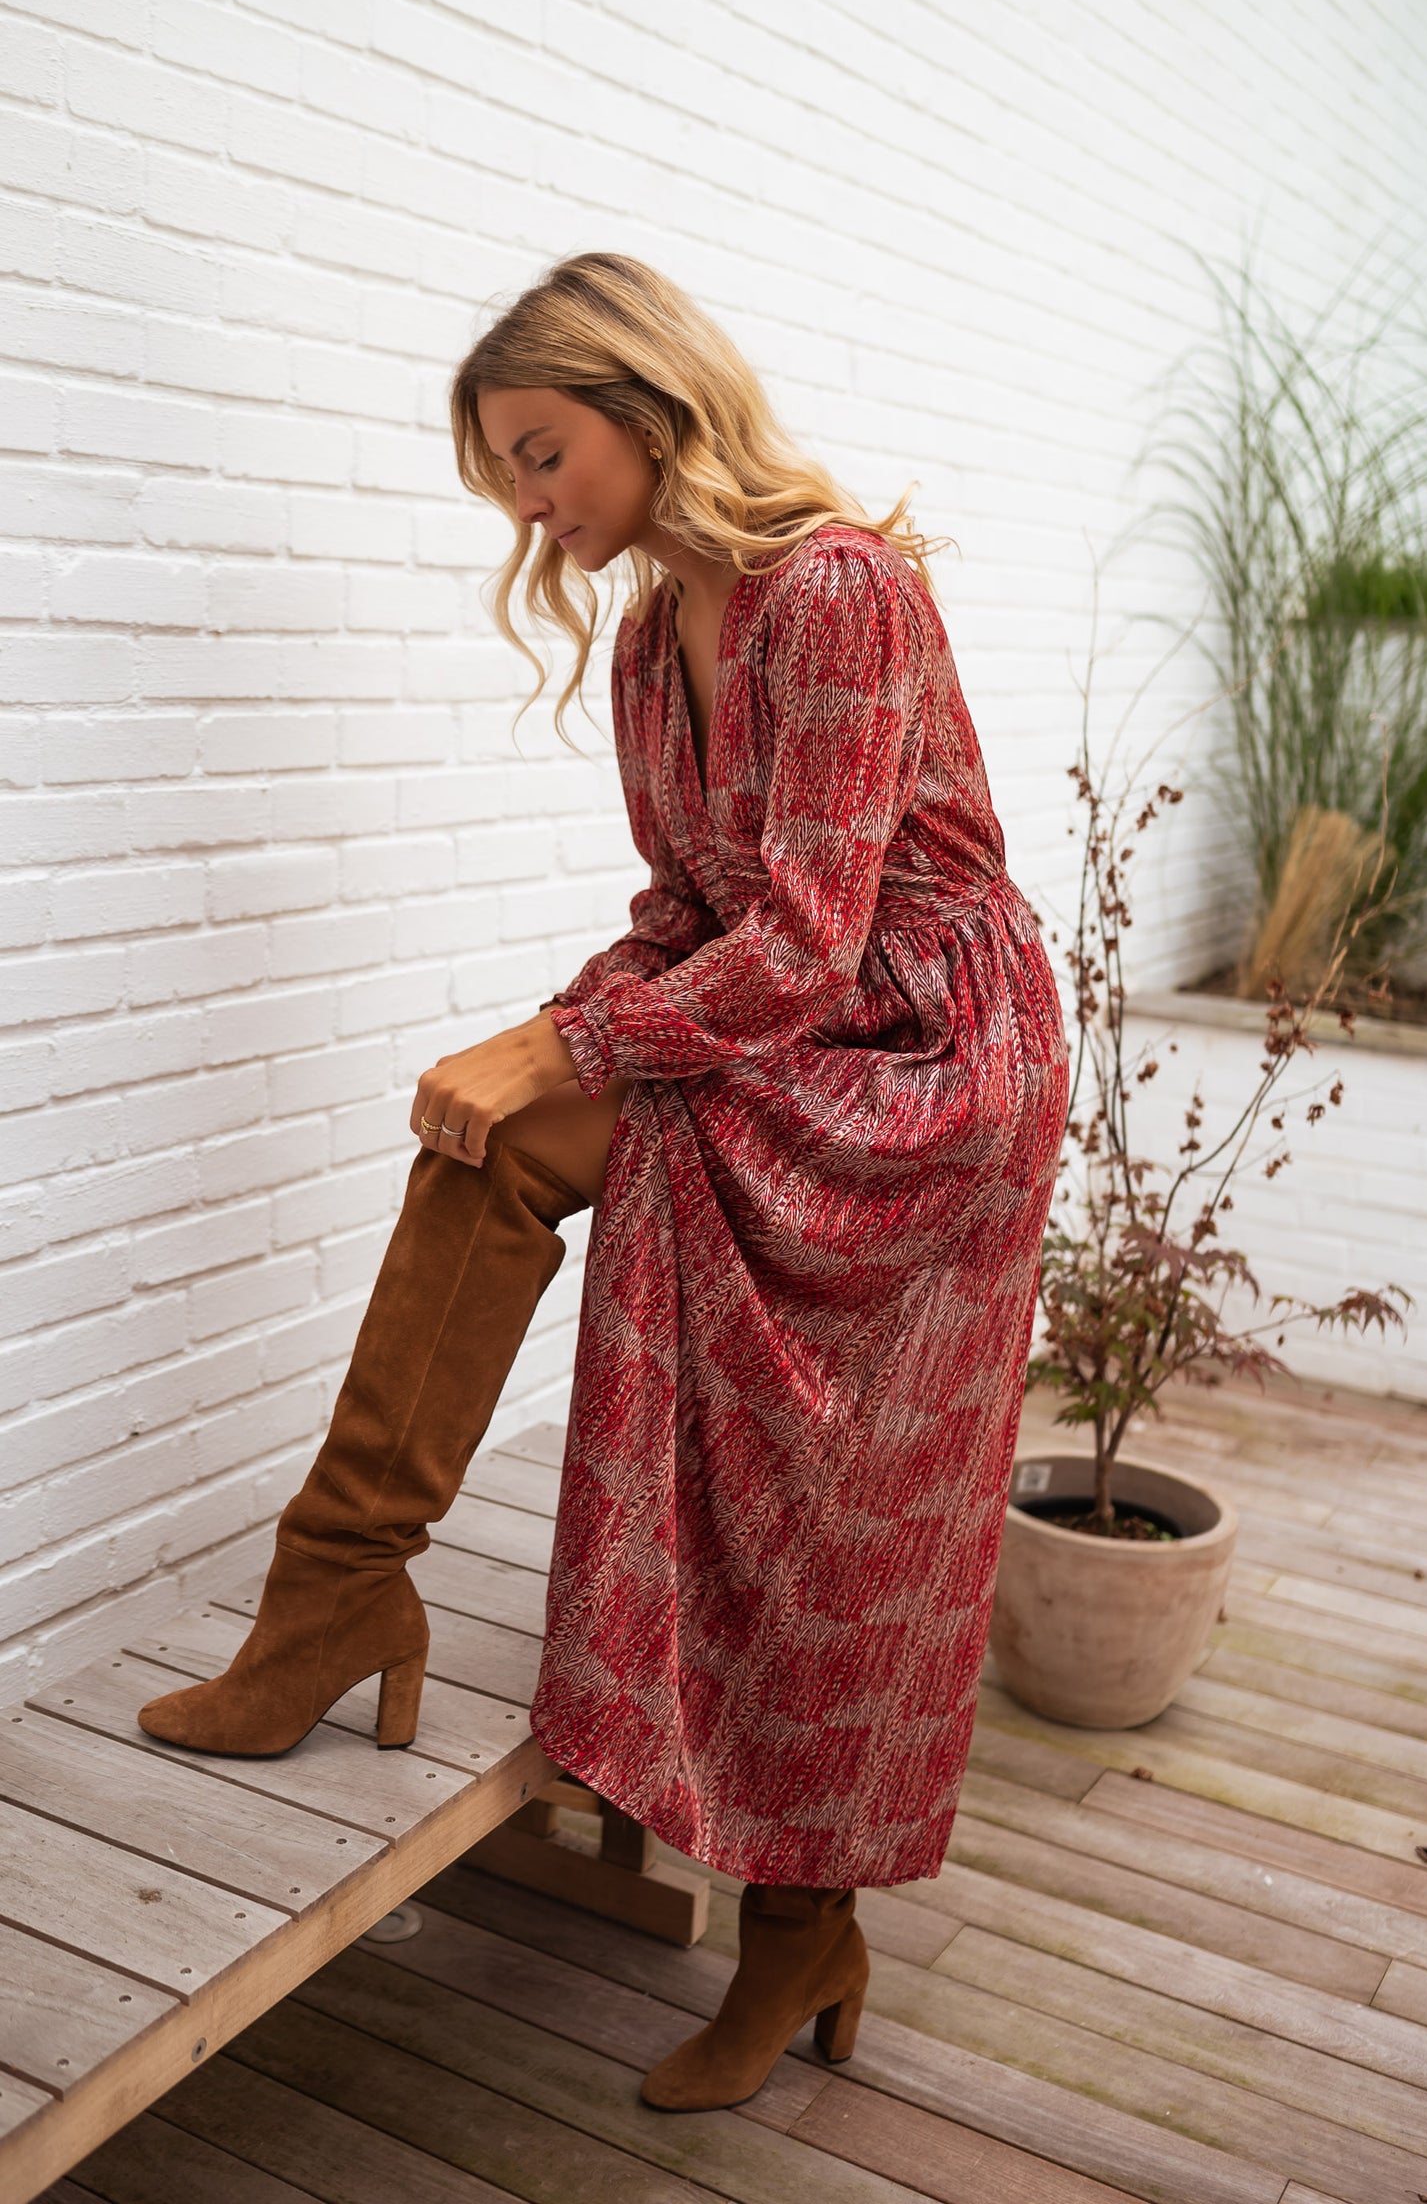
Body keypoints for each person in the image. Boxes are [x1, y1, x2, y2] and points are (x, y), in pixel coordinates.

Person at [135, 251, 1071, 2113]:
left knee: (838, 1516)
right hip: (782, 1023)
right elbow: (688, 918)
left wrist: (557, 1048)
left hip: (922, 1067)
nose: (528, 505)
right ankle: (333, 1594)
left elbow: (808, 944)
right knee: (475, 1146)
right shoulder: (656, 635)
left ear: (647, 410)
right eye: (504, 471)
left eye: (543, 453)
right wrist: (538, 1039)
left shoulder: (839, 593)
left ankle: (806, 1937)